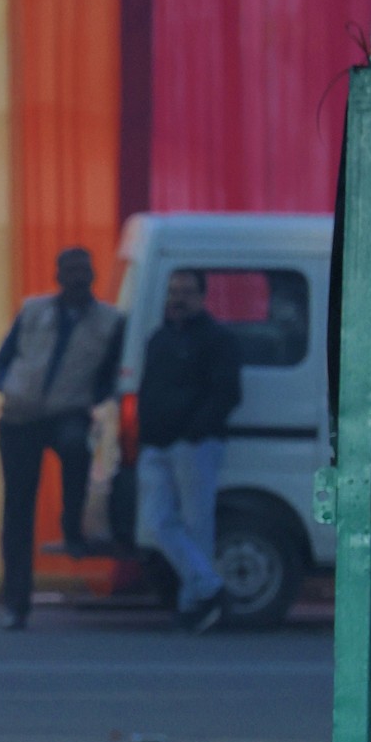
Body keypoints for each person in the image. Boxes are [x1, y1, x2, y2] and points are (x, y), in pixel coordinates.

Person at [0, 246, 123, 629]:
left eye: (84, 270)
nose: (78, 277)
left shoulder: (110, 322)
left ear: (92, 275)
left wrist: (93, 398)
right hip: (21, 416)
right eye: (71, 270)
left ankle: (72, 526)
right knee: (18, 511)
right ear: (58, 275)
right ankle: (16, 602)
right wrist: (10, 387)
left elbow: (111, 374)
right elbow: (1, 361)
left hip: (68, 411)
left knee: (76, 448)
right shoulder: (34, 311)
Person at [136, 265, 242, 634]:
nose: (177, 299)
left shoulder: (217, 339)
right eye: (173, 291)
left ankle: (193, 605)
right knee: (156, 522)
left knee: (198, 526)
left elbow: (227, 393)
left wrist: (195, 431)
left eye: (185, 292)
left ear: (201, 296)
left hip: (195, 446)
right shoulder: (158, 338)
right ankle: (210, 587)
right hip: (156, 446)